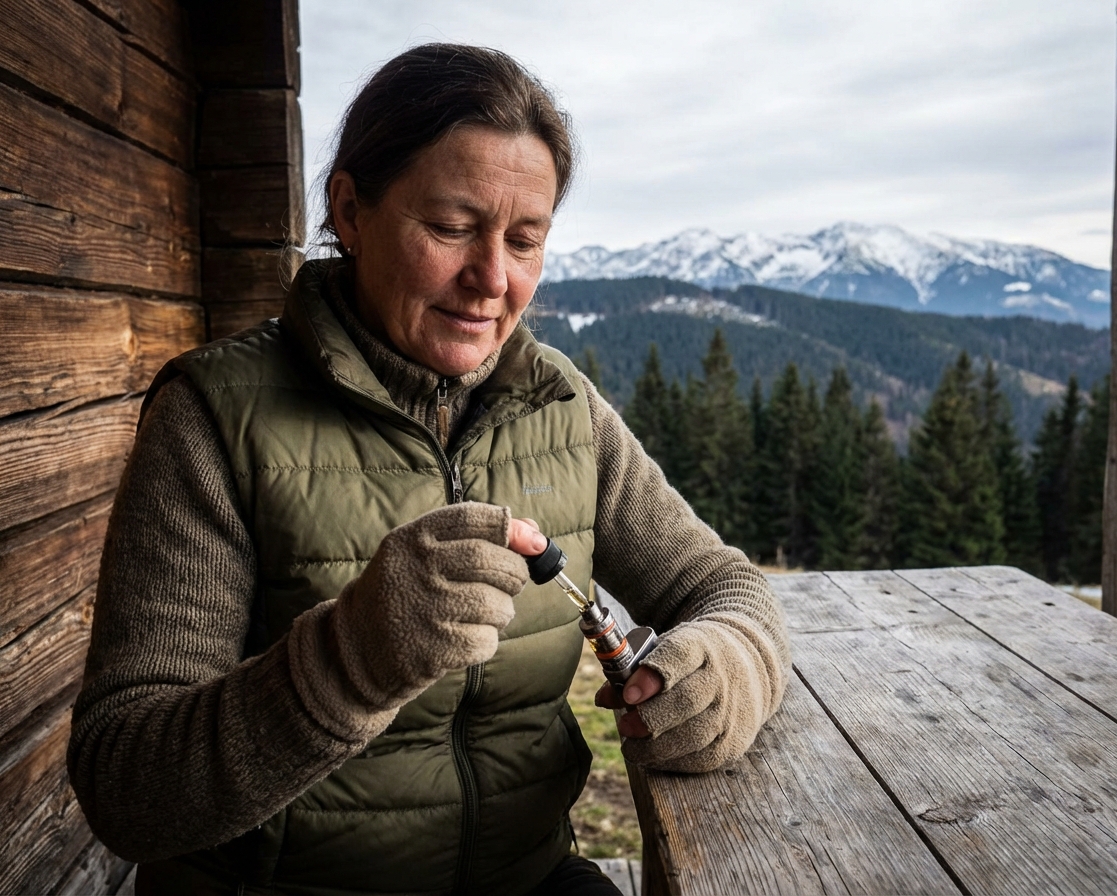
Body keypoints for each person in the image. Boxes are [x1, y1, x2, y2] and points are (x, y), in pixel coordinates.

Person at [68, 43, 789, 896]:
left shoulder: (563, 406)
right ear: (350, 209)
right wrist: (350, 659)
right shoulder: (213, 419)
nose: (492, 279)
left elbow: (725, 588)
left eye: (525, 241)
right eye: (451, 228)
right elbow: (127, 788)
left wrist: (724, 673)